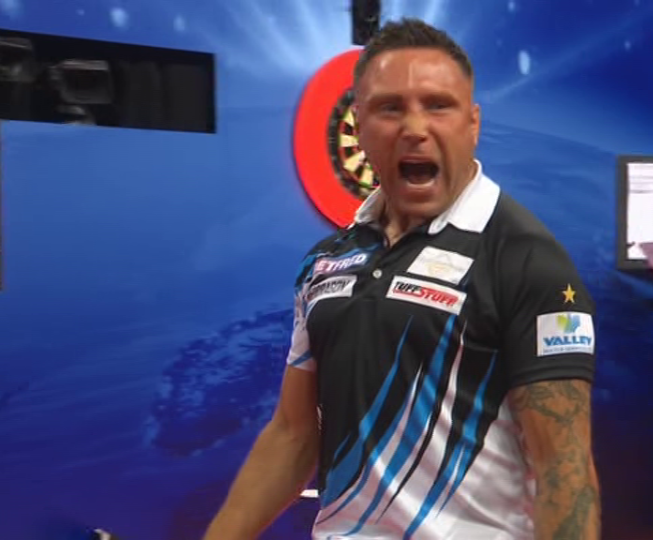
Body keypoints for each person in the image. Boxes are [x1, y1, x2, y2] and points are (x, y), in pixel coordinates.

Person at [203, 18, 601, 540]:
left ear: (472, 124)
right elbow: (294, 435)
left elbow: (563, 470)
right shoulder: (325, 261)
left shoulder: (527, 258)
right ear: (359, 126)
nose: (415, 127)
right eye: (390, 108)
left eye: (438, 105)